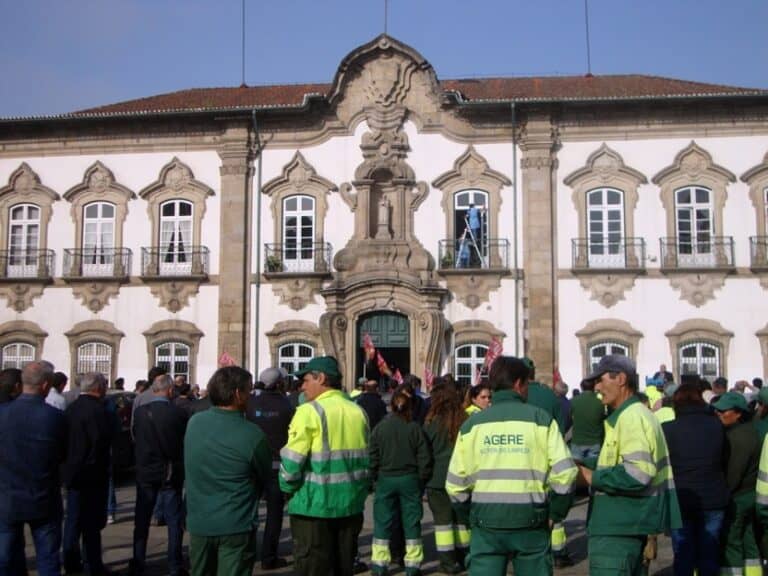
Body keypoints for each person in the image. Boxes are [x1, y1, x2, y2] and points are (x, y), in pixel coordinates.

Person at [446, 356, 577, 575]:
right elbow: (566, 474)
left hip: (486, 524)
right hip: (532, 523)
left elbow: (454, 484)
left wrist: (471, 517)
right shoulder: (541, 420)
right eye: (526, 385)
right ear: (518, 384)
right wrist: (555, 513)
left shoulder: (472, 425)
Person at [577, 354, 681, 575]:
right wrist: (586, 464)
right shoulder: (632, 414)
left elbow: (637, 473)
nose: (597, 387)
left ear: (621, 379)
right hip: (628, 524)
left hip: (619, 528)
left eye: (600, 380)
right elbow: (617, 460)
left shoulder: (631, 417)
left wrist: (590, 476)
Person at [279, 356, 370, 576]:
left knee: (311, 567)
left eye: (305, 380)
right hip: (350, 506)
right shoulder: (358, 412)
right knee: (343, 567)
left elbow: (291, 464)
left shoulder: (309, 411)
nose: (302, 386)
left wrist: (287, 489)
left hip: (313, 508)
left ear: (321, 378)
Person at [184, 366, 272, 576]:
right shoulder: (252, 434)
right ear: (238, 394)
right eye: (249, 391)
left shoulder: (195, 423)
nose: (251, 396)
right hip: (236, 522)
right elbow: (264, 475)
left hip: (200, 522)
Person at [0, 361, 67, 576]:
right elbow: (64, 455)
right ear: (45, 385)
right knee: (48, 559)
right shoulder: (56, 417)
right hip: (43, 495)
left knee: (7, 558)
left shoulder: (3, 414)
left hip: (7, 496)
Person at [662, 382, 729, 576]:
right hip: (713, 497)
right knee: (709, 554)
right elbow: (724, 458)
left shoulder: (668, 429)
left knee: (683, 554)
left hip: (681, 499)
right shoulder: (716, 426)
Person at [130, 374, 188, 576]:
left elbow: (135, 436)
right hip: (169, 471)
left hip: (146, 470)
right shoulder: (178, 413)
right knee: (174, 521)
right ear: (170, 390)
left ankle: (138, 561)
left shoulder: (140, 412)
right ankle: (174, 564)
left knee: (141, 520)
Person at [370, 387, 432, 575]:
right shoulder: (415, 428)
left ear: (391, 406)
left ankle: (379, 565)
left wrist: (374, 477)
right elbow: (425, 457)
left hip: (386, 479)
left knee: (382, 523)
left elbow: (372, 455)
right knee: (412, 523)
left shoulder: (381, 428)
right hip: (409, 479)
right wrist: (421, 479)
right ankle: (412, 566)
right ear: (410, 407)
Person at [62, 372, 115, 575]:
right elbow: (102, 443)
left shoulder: (71, 408)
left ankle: (71, 564)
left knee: (72, 522)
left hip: (73, 474)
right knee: (92, 525)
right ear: (98, 388)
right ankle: (93, 564)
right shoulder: (99, 411)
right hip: (93, 474)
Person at [245, 367, 295, 571]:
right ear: (280, 383)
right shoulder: (287, 404)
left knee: (249, 511)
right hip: (276, 465)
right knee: (275, 514)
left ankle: (246, 553)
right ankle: (269, 557)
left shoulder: (250, 403)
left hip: (252, 464)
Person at [711, 392, 762, 576]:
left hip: (738, 498)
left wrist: (723, 495)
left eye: (724, 411)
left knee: (731, 544)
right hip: (750, 495)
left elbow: (733, 473)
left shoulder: (737, 438)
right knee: (749, 542)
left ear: (738, 413)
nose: (719, 414)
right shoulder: (751, 431)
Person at [423, 379, 469, 574]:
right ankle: (465, 556)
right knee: (461, 522)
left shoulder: (432, 423)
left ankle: (447, 562)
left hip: (437, 478)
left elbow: (425, 451)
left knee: (443, 523)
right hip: (462, 477)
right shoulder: (465, 420)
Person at [569, 378, 605, 462]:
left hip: (578, 440)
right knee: (592, 467)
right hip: (595, 441)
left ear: (581, 387)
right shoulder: (601, 401)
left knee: (577, 468)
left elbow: (570, 418)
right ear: (594, 386)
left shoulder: (573, 401)